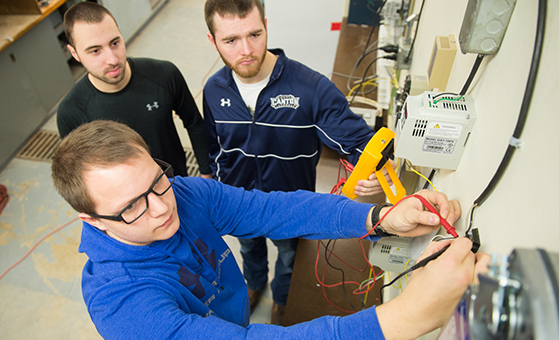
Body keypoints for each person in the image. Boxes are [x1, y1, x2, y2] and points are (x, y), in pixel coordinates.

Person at [51, 120, 489, 340]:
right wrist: (403, 318)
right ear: (91, 221)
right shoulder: (124, 304)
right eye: (131, 207)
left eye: (157, 181)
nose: (162, 207)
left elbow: (273, 211)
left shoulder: (180, 194)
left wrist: (375, 220)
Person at [202, 0, 390, 322]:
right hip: (238, 203)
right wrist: (218, 188)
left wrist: (372, 168)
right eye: (231, 40)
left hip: (288, 206)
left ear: (266, 24)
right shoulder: (213, 89)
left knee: (289, 258)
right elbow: (215, 147)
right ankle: (255, 283)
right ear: (213, 40)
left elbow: (364, 143)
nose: (246, 49)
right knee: (249, 250)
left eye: (254, 34)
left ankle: (282, 298)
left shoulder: (310, 88)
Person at [57, 2, 211, 178]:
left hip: (175, 183)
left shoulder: (164, 75)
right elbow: (80, 173)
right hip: (125, 202)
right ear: (74, 53)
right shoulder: (71, 112)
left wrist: (206, 173)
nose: (112, 59)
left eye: (115, 43)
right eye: (95, 51)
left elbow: (194, 123)